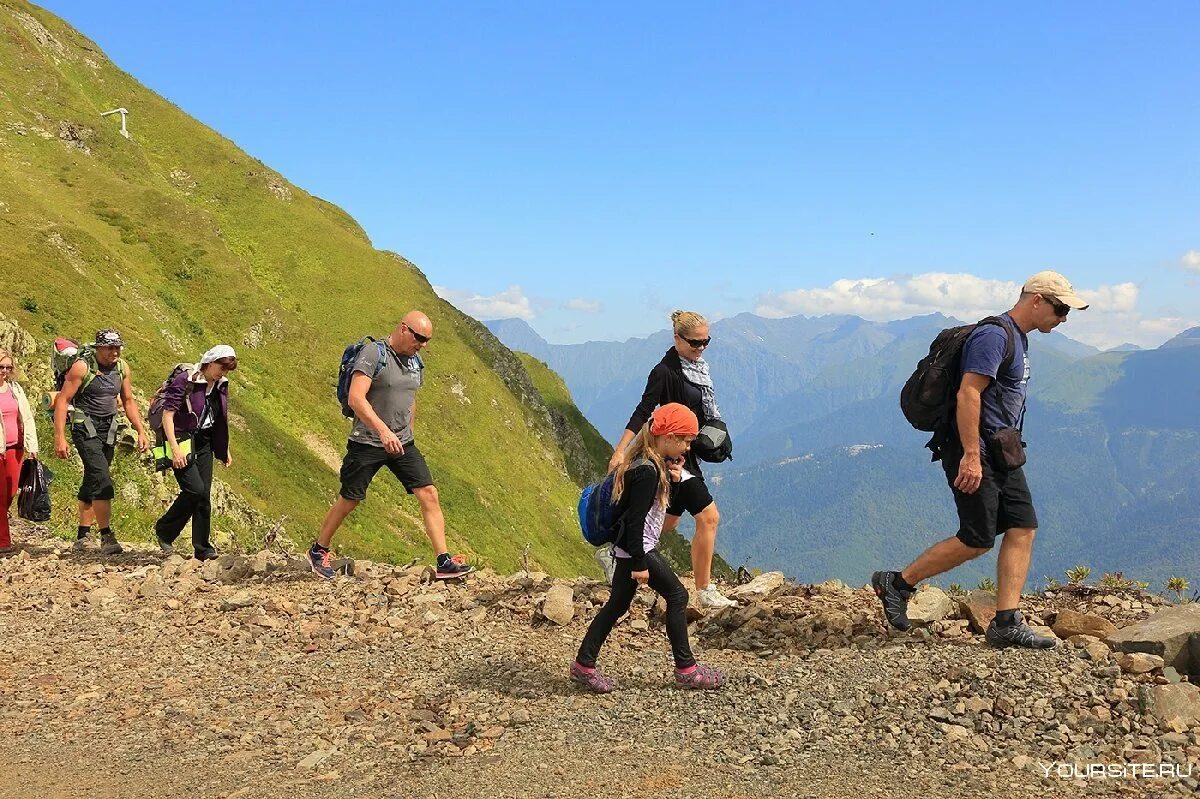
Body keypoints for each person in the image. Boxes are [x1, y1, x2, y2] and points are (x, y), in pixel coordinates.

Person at [873, 271, 1090, 649]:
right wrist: (971, 456)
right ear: (1036, 299)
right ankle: (898, 583)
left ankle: (1006, 622)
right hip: (976, 450)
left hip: (1004, 449)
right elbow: (968, 394)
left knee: (1023, 527)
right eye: (1061, 308)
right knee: (976, 539)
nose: (1064, 317)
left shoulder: (1018, 338)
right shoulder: (994, 336)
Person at [307, 311, 473, 580]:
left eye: (427, 339)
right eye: (419, 337)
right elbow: (356, 398)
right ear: (404, 329)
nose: (423, 344)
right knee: (350, 499)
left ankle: (444, 561)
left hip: (403, 442)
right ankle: (318, 550)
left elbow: (410, 397)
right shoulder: (374, 354)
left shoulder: (415, 362)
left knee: (429, 493)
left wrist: (408, 432)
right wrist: (383, 432)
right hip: (368, 442)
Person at [572, 403, 726, 692]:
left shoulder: (649, 463)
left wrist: (674, 477)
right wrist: (640, 563)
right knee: (678, 595)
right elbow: (635, 520)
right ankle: (687, 670)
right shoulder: (647, 472)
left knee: (617, 604)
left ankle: (584, 664)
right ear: (667, 437)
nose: (688, 448)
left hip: (627, 549)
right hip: (636, 549)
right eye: (685, 440)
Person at [609, 310, 736, 608]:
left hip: (687, 451)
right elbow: (643, 411)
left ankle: (616, 549)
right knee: (709, 517)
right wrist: (620, 451)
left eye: (706, 341)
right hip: (673, 457)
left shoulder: (698, 367)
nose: (701, 348)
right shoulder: (664, 372)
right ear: (676, 339)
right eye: (695, 342)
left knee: (667, 522)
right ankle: (704, 591)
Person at [52, 329, 150, 555]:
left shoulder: (121, 368)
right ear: (98, 348)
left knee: (93, 477)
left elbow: (128, 400)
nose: (114, 352)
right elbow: (62, 401)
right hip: (84, 427)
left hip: (109, 429)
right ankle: (107, 535)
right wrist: (60, 437)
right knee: (102, 478)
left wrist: (141, 431)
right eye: (109, 348)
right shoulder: (82, 368)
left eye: (117, 348)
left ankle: (82, 536)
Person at [154, 346, 237, 560]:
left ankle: (202, 547)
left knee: (204, 493)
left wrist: (224, 448)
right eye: (221, 368)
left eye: (226, 370)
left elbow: (219, 417)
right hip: (181, 439)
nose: (223, 373)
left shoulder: (220, 385)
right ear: (209, 363)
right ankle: (164, 530)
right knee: (194, 489)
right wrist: (174, 449)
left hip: (204, 442)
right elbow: (168, 415)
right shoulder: (186, 380)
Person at [0, 350, 39, 554]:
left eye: (8, 367)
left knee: (11, 492)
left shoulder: (15, 389)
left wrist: (32, 446)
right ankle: (3, 541)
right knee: (0, 494)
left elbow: (27, 416)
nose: (4, 371)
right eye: (1, 367)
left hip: (15, 448)